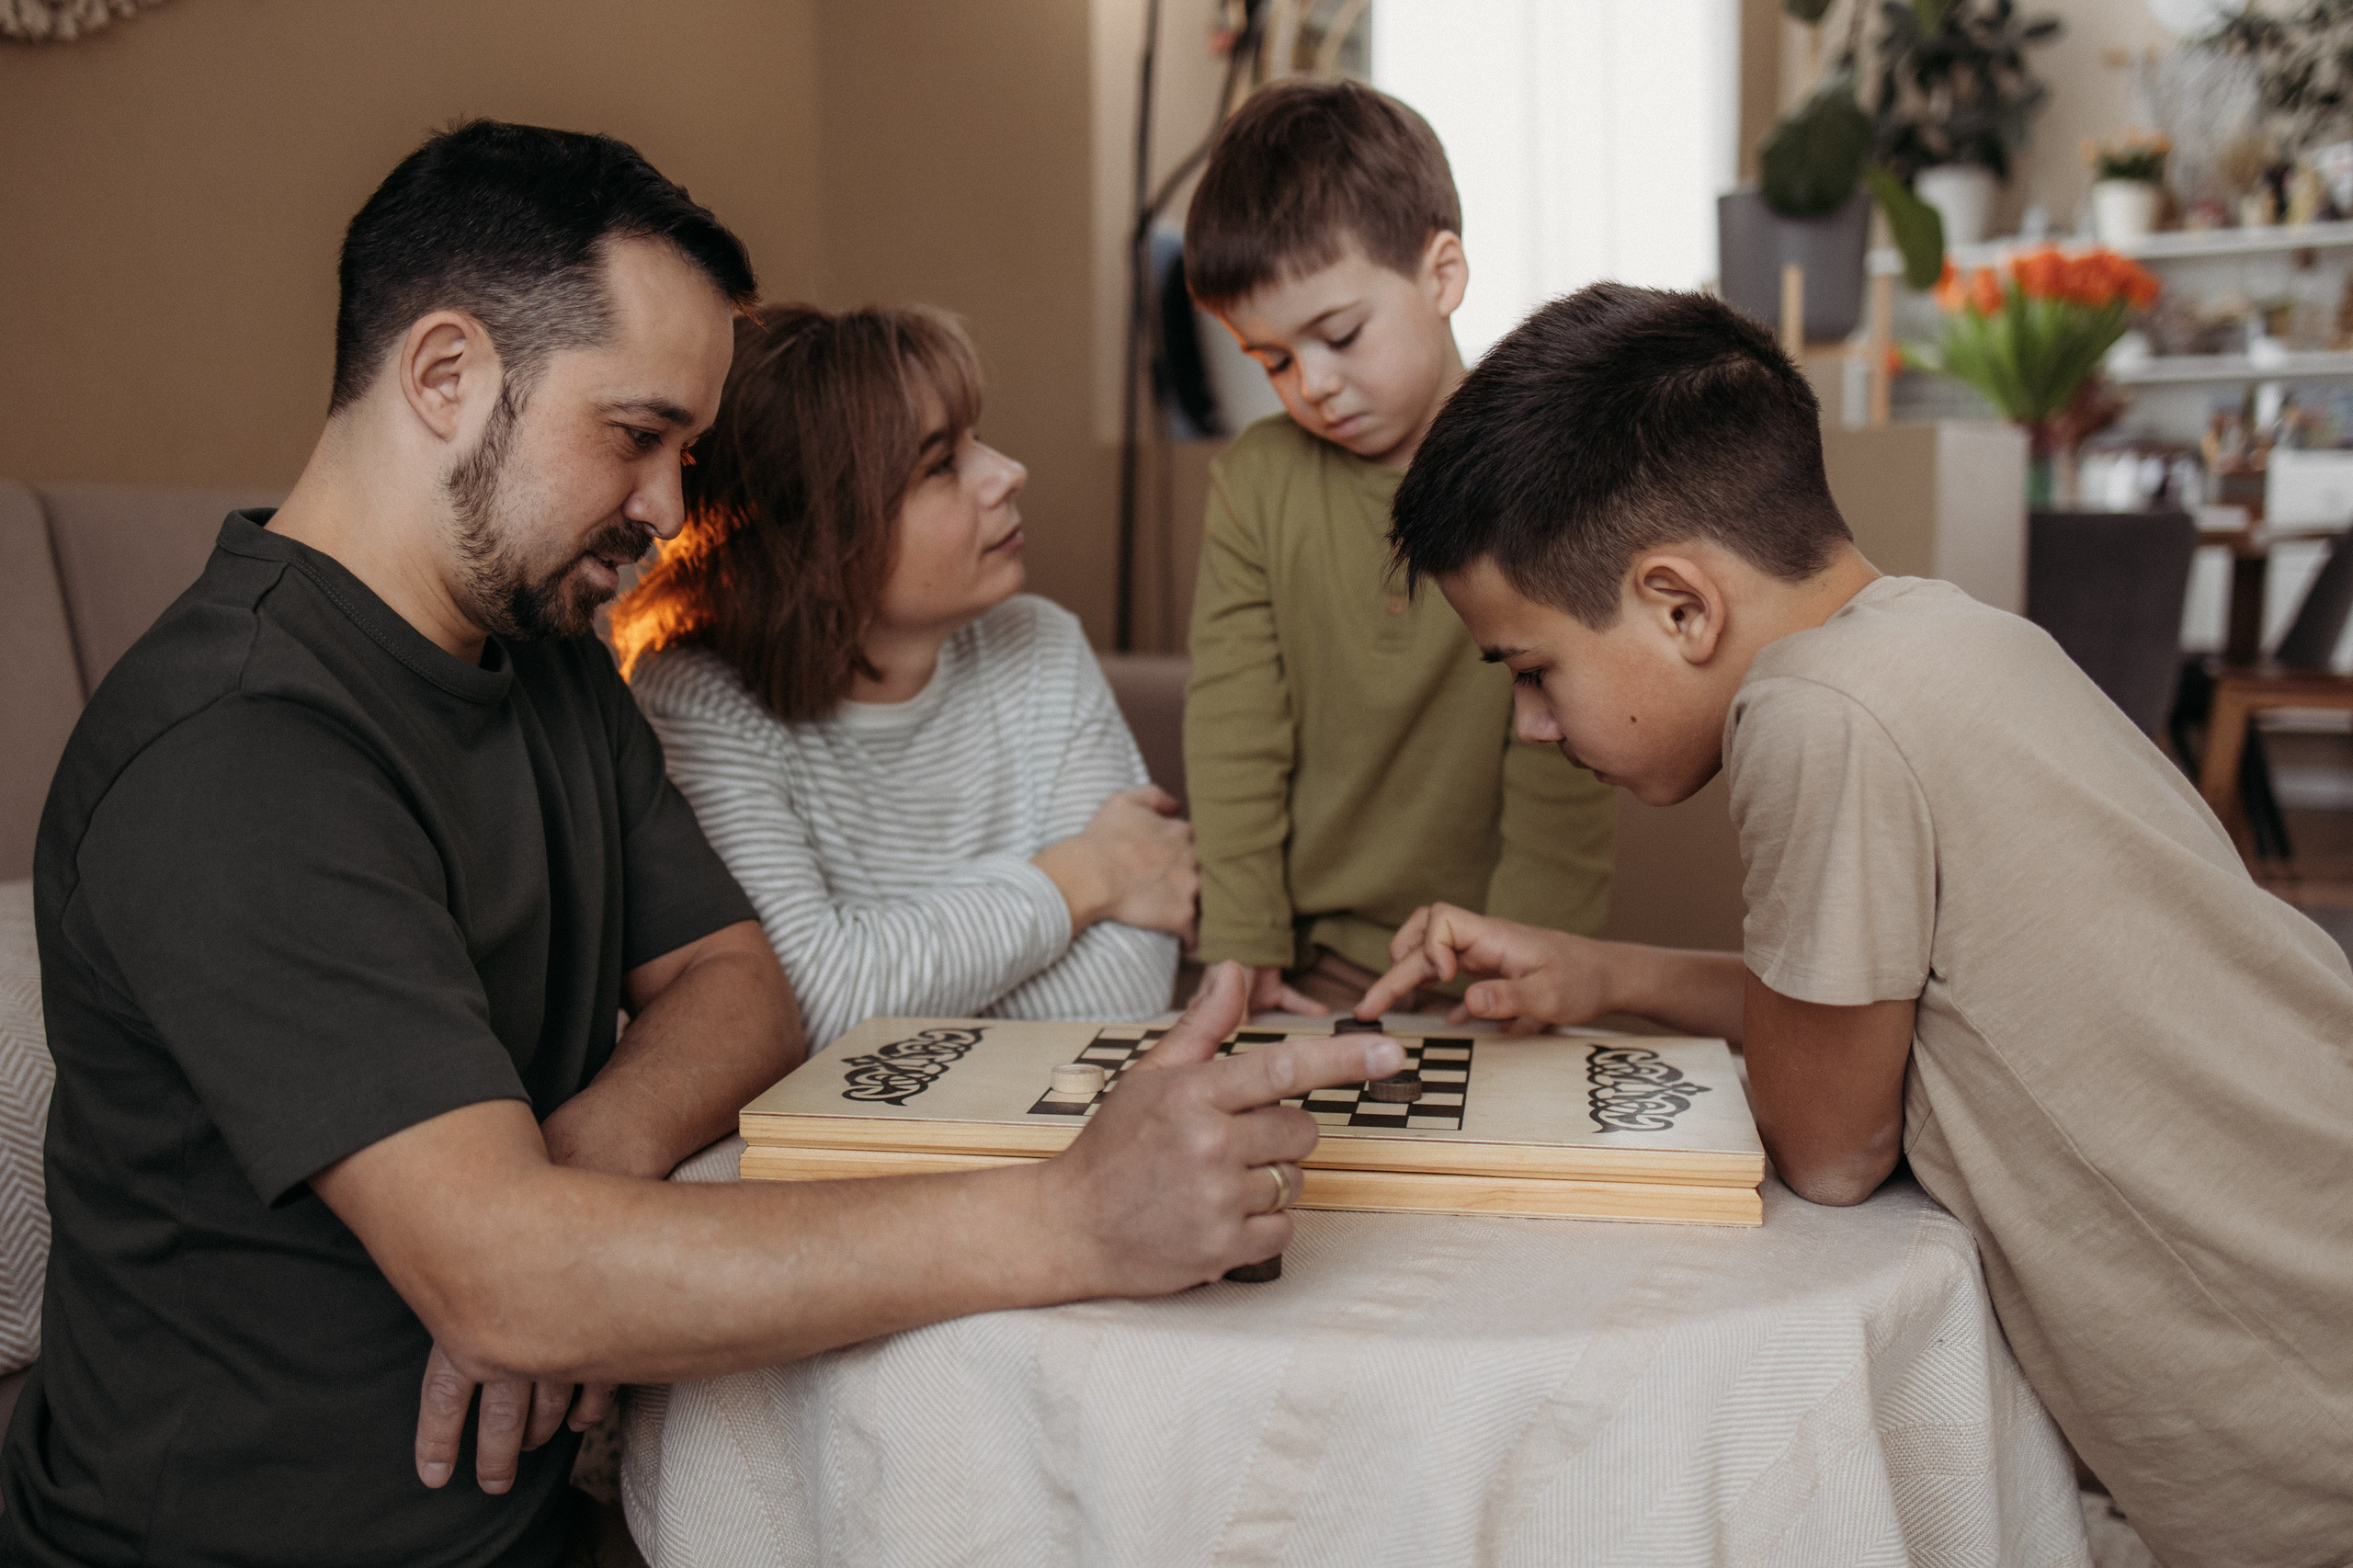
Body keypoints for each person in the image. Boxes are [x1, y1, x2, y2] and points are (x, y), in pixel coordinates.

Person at [6, 119, 1404, 1568]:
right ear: (443, 376)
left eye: (686, 448)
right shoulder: (241, 750)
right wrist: (1075, 1218)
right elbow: (510, 1287)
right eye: (636, 435)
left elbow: (743, 980)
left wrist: (574, 1175)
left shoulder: (546, 661)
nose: (674, 512)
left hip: (543, 1524)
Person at [1358, 281, 2353, 1568]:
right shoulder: (1949, 639)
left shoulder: (1813, 716)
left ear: (1678, 602)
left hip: (2298, 1415)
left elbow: (1830, 1143)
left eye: (1533, 669)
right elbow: (1915, 1008)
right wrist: (1602, 971)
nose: (1532, 726)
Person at [611, 304, 1190, 1052]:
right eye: (941, 463)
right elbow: (798, 1008)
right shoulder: (696, 700)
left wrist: (887, 985)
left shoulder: (1041, 643)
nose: (1009, 473)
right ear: (819, 538)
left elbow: (1128, 989)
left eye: (974, 440)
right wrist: (1086, 875)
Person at [1178, 77, 1618, 1019]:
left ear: (1441, 274)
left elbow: (1561, 766)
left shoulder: (1548, 470)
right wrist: (1245, 945)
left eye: (1338, 335)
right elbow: (1235, 728)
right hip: (1311, 966)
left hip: (1510, 953)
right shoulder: (1255, 485)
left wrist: (1528, 962)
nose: (1313, 385)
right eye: (1273, 361)